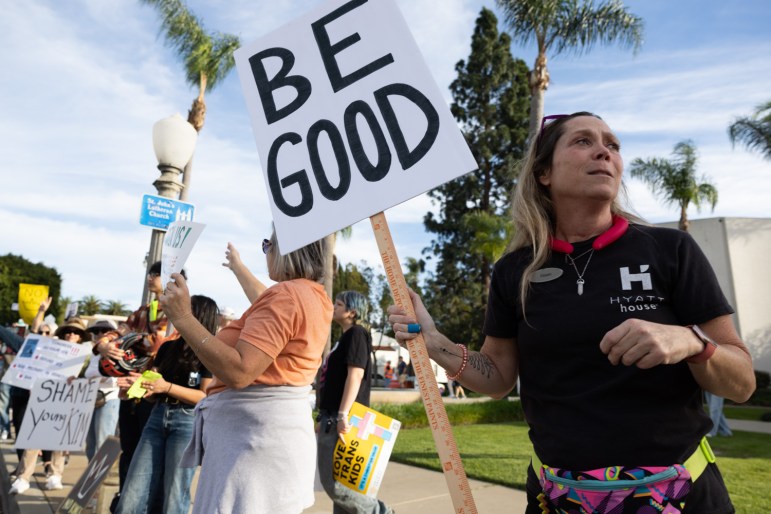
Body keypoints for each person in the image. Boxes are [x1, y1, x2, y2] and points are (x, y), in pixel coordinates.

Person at [389, 112, 756, 513]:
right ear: (544, 172)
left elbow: (742, 383)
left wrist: (691, 342)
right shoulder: (515, 270)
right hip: (559, 500)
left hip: (681, 498)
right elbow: (497, 377)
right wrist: (433, 342)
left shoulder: (671, 250)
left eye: (612, 145)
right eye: (583, 141)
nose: (604, 152)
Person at [159, 232, 332, 514]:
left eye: (268, 244)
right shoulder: (310, 295)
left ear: (288, 248)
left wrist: (183, 317)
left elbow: (239, 371)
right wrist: (238, 268)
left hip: (252, 447)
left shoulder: (286, 296)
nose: (266, 252)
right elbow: (267, 304)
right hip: (269, 442)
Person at [92, 261, 184, 511]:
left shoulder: (180, 312)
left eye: (156, 273)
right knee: (129, 452)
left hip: (154, 394)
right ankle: (126, 500)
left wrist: (130, 340)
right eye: (150, 273)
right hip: (129, 393)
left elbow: (160, 345)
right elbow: (119, 332)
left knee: (152, 460)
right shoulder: (144, 311)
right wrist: (104, 345)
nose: (150, 277)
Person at [115, 295, 218, 514]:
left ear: (199, 316)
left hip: (187, 421)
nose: (178, 312)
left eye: (186, 308)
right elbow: (154, 389)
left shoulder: (210, 352)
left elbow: (205, 397)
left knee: (175, 493)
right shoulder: (167, 347)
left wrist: (166, 387)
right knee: (133, 488)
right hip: (157, 415)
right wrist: (139, 387)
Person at [316, 291, 394, 514]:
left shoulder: (357, 334)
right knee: (344, 482)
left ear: (352, 312)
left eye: (339, 304)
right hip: (333, 416)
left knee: (334, 483)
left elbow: (356, 375)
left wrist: (343, 414)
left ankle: (380, 512)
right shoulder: (345, 337)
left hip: (344, 418)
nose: (334, 306)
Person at [10, 317, 91, 494]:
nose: (71, 334)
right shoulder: (50, 349)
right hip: (46, 396)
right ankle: (24, 477)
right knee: (34, 437)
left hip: (69, 399)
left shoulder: (87, 355)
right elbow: (35, 363)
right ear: (62, 333)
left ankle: (55, 475)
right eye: (68, 331)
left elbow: (89, 375)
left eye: (76, 332)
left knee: (60, 439)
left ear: (81, 336)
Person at [82, 319, 121, 460]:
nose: (99, 334)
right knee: (90, 442)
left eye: (104, 331)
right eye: (96, 332)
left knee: (103, 440)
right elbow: (88, 374)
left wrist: (99, 379)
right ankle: (91, 472)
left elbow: (120, 377)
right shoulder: (94, 353)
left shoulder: (117, 351)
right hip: (91, 397)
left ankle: (100, 473)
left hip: (109, 398)